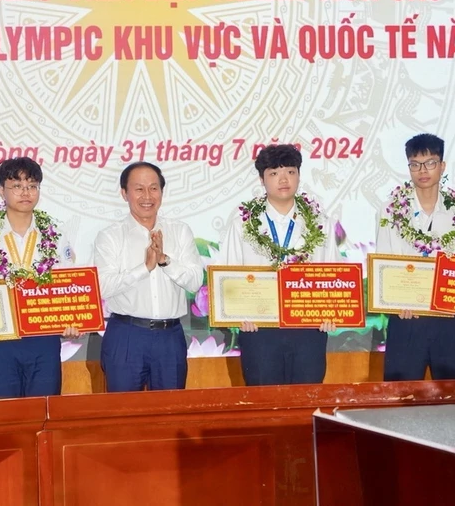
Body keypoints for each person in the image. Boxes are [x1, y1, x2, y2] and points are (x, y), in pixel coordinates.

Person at [219, 144, 340, 385]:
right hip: (259, 329)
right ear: (262, 179)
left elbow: (333, 271)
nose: (283, 179)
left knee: (306, 400)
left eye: (290, 172)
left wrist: (330, 311)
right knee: (263, 402)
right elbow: (228, 273)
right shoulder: (243, 223)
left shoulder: (320, 222)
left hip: (309, 327)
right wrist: (240, 314)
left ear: (298, 175)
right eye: (274, 173)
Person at [0, 157, 78, 398]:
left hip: (43, 340)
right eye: (16, 186)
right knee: (3, 416)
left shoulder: (55, 236)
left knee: (43, 411)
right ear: (1, 192)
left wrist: (71, 321)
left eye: (32, 185)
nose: (25, 192)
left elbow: (66, 284)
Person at [375, 133, 455, 381]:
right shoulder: (390, 209)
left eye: (430, 163)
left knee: (451, 400)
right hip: (406, 319)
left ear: (442, 166)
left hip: (448, 321)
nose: (422, 170)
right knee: (400, 399)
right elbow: (384, 260)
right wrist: (394, 301)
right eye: (415, 164)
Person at [93, 162, 202, 392]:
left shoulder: (179, 231)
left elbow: (195, 281)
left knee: (170, 415)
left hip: (169, 337)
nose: (147, 196)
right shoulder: (110, 236)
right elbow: (102, 287)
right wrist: (144, 268)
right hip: (126, 335)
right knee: (123, 415)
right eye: (139, 189)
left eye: (154, 188)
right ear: (125, 193)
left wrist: (165, 261)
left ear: (162, 192)